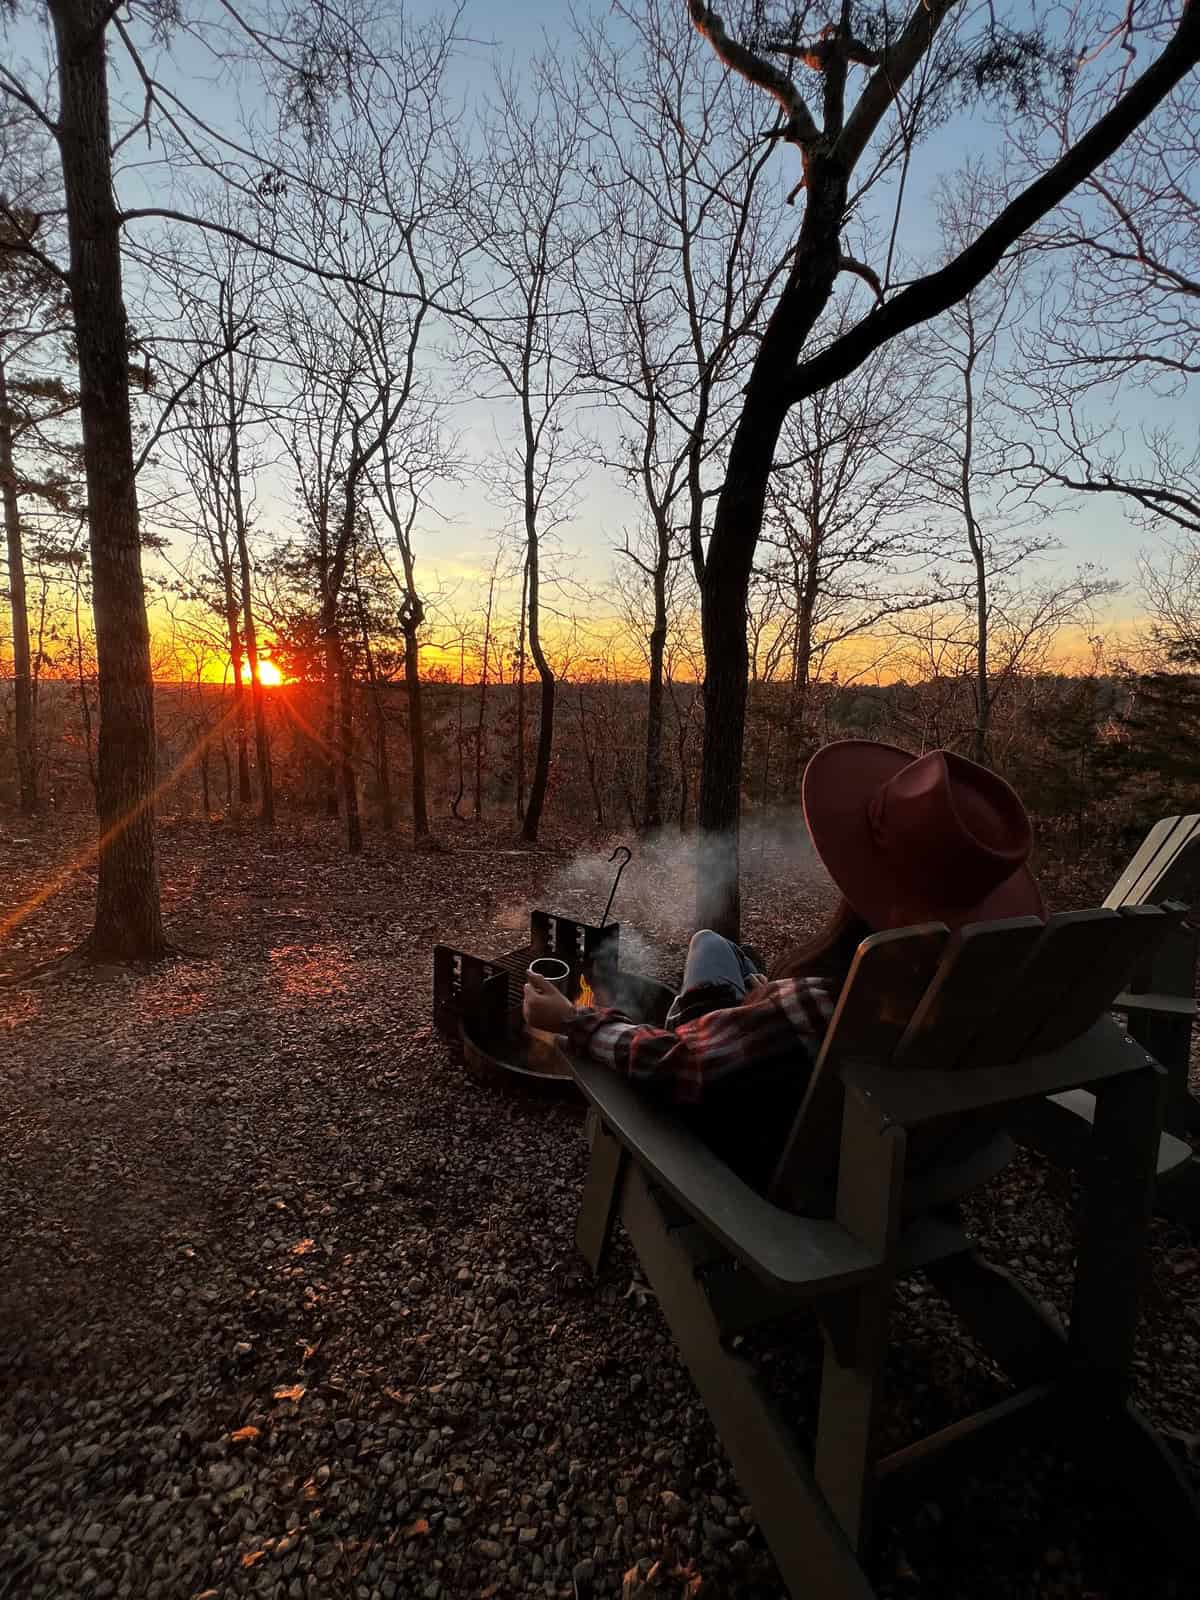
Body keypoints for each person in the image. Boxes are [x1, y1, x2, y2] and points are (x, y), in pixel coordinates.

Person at [523, 740, 1044, 1184]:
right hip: (890, 1143)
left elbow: (677, 1065)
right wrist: (767, 995)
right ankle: (741, 988)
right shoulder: (971, 983)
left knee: (703, 972)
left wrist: (571, 1019)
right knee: (710, 944)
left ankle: (718, 1008)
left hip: (770, 1147)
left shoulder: (827, 1001)